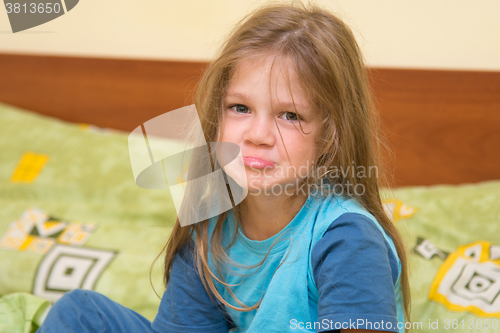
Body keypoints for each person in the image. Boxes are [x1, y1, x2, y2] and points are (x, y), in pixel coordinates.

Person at [39, 3, 410, 333]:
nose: (258, 135)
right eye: (240, 108)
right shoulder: (211, 227)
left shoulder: (347, 239)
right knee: (80, 313)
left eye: (290, 115)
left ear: (329, 136)